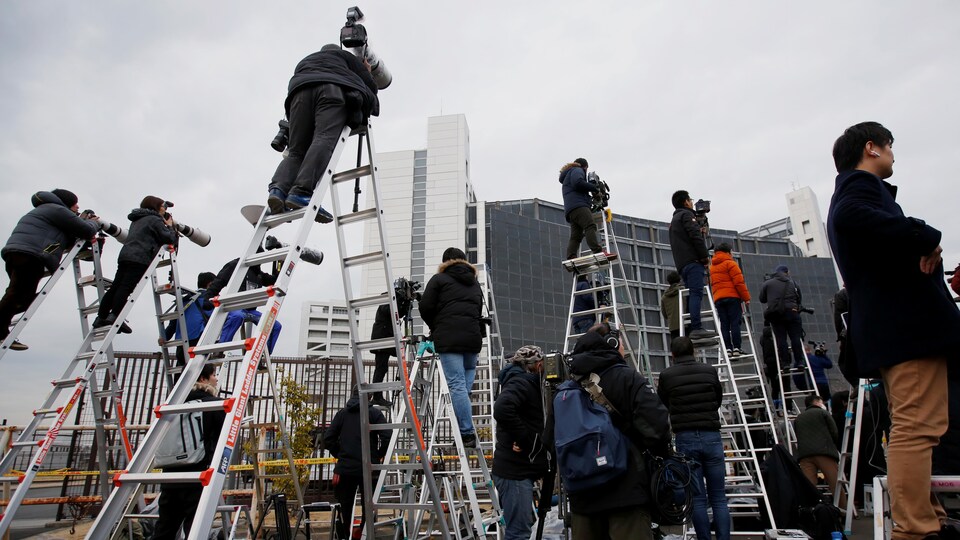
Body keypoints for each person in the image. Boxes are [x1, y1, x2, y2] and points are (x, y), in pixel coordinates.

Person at [827, 121, 960, 539]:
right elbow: (853, 216)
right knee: (916, 426)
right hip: (906, 330)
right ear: (872, 148)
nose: (894, 156)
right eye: (890, 148)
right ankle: (917, 528)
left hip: (899, 331)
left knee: (922, 425)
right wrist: (926, 236)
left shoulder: (857, 191)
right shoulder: (857, 189)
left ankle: (927, 518)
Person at [566, 323, 672, 540]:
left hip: (582, 496)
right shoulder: (627, 378)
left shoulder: (567, 388)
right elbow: (658, 427)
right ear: (613, 344)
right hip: (626, 491)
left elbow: (551, 439)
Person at [267, 44, 379, 217]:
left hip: (298, 95)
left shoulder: (306, 60)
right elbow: (370, 88)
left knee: (296, 150)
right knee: (323, 138)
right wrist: (366, 70)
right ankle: (301, 192)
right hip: (330, 92)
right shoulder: (346, 58)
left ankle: (277, 190)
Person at [1, 189, 100, 351]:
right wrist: (94, 223)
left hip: (19, 252)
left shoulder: (45, 210)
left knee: (21, 296)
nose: (77, 207)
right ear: (67, 203)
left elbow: (65, 235)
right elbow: (87, 231)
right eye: (75, 204)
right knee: (17, 295)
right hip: (30, 254)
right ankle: (0, 332)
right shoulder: (56, 209)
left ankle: (3, 331)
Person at [657, 336, 730, 540]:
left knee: (697, 497)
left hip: (685, 436)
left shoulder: (667, 375)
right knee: (719, 496)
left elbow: (663, 401)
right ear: (694, 351)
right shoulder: (709, 370)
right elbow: (717, 397)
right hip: (711, 435)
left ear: (673, 354)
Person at [418, 247, 485, 447]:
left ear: (445, 262)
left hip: (449, 339)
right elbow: (478, 310)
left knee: (456, 386)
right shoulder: (474, 283)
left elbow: (425, 307)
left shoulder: (439, 280)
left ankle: (466, 433)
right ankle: (464, 426)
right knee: (463, 389)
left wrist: (435, 325)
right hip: (472, 341)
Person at [152, 363, 226, 539]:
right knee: (195, 528)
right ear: (203, 379)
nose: (216, 378)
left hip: (170, 475)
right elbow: (222, 437)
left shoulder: (173, 406)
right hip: (198, 474)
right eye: (214, 374)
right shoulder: (214, 404)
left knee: (165, 528)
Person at [492, 346, 552, 540]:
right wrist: (525, 439)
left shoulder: (519, 382)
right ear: (536, 365)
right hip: (515, 471)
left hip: (519, 468)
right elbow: (502, 409)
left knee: (520, 530)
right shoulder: (522, 382)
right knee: (519, 532)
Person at [93, 196, 177, 332]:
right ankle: (115, 316)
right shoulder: (154, 219)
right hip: (140, 257)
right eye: (163, 206)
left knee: (116, 286)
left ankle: (101, 317)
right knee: (126, 287)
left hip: (126, 255)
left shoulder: (138, 219)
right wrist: (169, 226)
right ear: (155, 206)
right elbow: (169, 238)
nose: (164, 209)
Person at [323, 386, 390, 540]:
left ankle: (343, 536)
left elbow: (328, 439)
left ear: (352, 395)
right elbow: (387, 435)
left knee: (344, 508)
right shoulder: (374, 413)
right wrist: (378, 455)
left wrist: (341, 455)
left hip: (346, 469)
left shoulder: (342, 414)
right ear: (369, 397)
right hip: (369, 468)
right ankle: (365, 534)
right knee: (369, 506)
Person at [204, 251, 282, 354]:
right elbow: (220, 280)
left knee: (275, 325)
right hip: (234, 307)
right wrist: (208, 298)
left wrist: (279, 263)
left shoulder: (258, 274)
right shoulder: (236, 266)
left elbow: (274, 281)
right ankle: (220, 349)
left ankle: (262, 355)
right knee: (237, 316)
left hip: (250, 311)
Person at [668, 190, 716, 341]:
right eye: (690, 200)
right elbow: (695, 237)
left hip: (682, 263)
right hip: (693, 261)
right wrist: (705, 257)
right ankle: (696, 327)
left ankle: (691, 329)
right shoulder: (687, 216)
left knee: (691, 294)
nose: (692, 202)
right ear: (685, 202)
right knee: (696, 293)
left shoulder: (675, 220)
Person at [758, 266, 809, 389]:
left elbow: (762, 299)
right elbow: (799, 299)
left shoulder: (768, 283)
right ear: (786, 272)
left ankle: (785, 363)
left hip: (776, 314)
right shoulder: (793, 283)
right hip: (792, 312)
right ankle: (800, 361)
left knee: (781, 339)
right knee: (796, 338)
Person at [794, 395, 844, 508]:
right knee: (835, 483)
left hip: (804, 455)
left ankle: (810, 511)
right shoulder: (823, 413)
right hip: (824, 452)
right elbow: (834, 431)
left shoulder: (799, 417)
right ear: (817, 402)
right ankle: (842, 510)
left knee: (809, 486)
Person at [160, 272, 215, 367]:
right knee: (199, 374)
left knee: (181, 372)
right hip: (200, 341)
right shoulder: (210, 300)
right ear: (210, 284)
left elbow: (173, 324)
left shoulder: (185, 300)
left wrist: (164, 337)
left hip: (182, 343)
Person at [559, 158, 607, 262]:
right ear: (584, 167)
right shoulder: (577, 170)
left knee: (576, 236)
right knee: (590, 226)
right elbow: (578, 183)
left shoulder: (568, 174)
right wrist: (595, 188)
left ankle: (571, 256)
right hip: (579, 206)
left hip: (571, 210)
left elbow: (577, 187)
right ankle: (598, 251)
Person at [709, 242, 750, 357]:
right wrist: (746, 298)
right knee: (735, 323)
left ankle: (728, 348)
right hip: (732, 297)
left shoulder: (712, 267)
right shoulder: (731, 264)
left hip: (719, 298)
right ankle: (737, 347)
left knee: (724, 324)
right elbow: (739, 282)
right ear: (727, 252)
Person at [370, 303, 395, 407]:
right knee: (380, 368)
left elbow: (398, 314)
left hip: (385, 339)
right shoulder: (385, 300)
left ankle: (377, 396)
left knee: (382, 368)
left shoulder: (389, 301)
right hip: (382, 340)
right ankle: (376, 397)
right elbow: (390, 311)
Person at [660, 271, 683, 341]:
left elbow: (664, 314)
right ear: (679, 280)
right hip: (685, 324)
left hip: (673, 327)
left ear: (669, 282)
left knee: (676, 348)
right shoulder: (684, 291)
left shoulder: (664, 297)